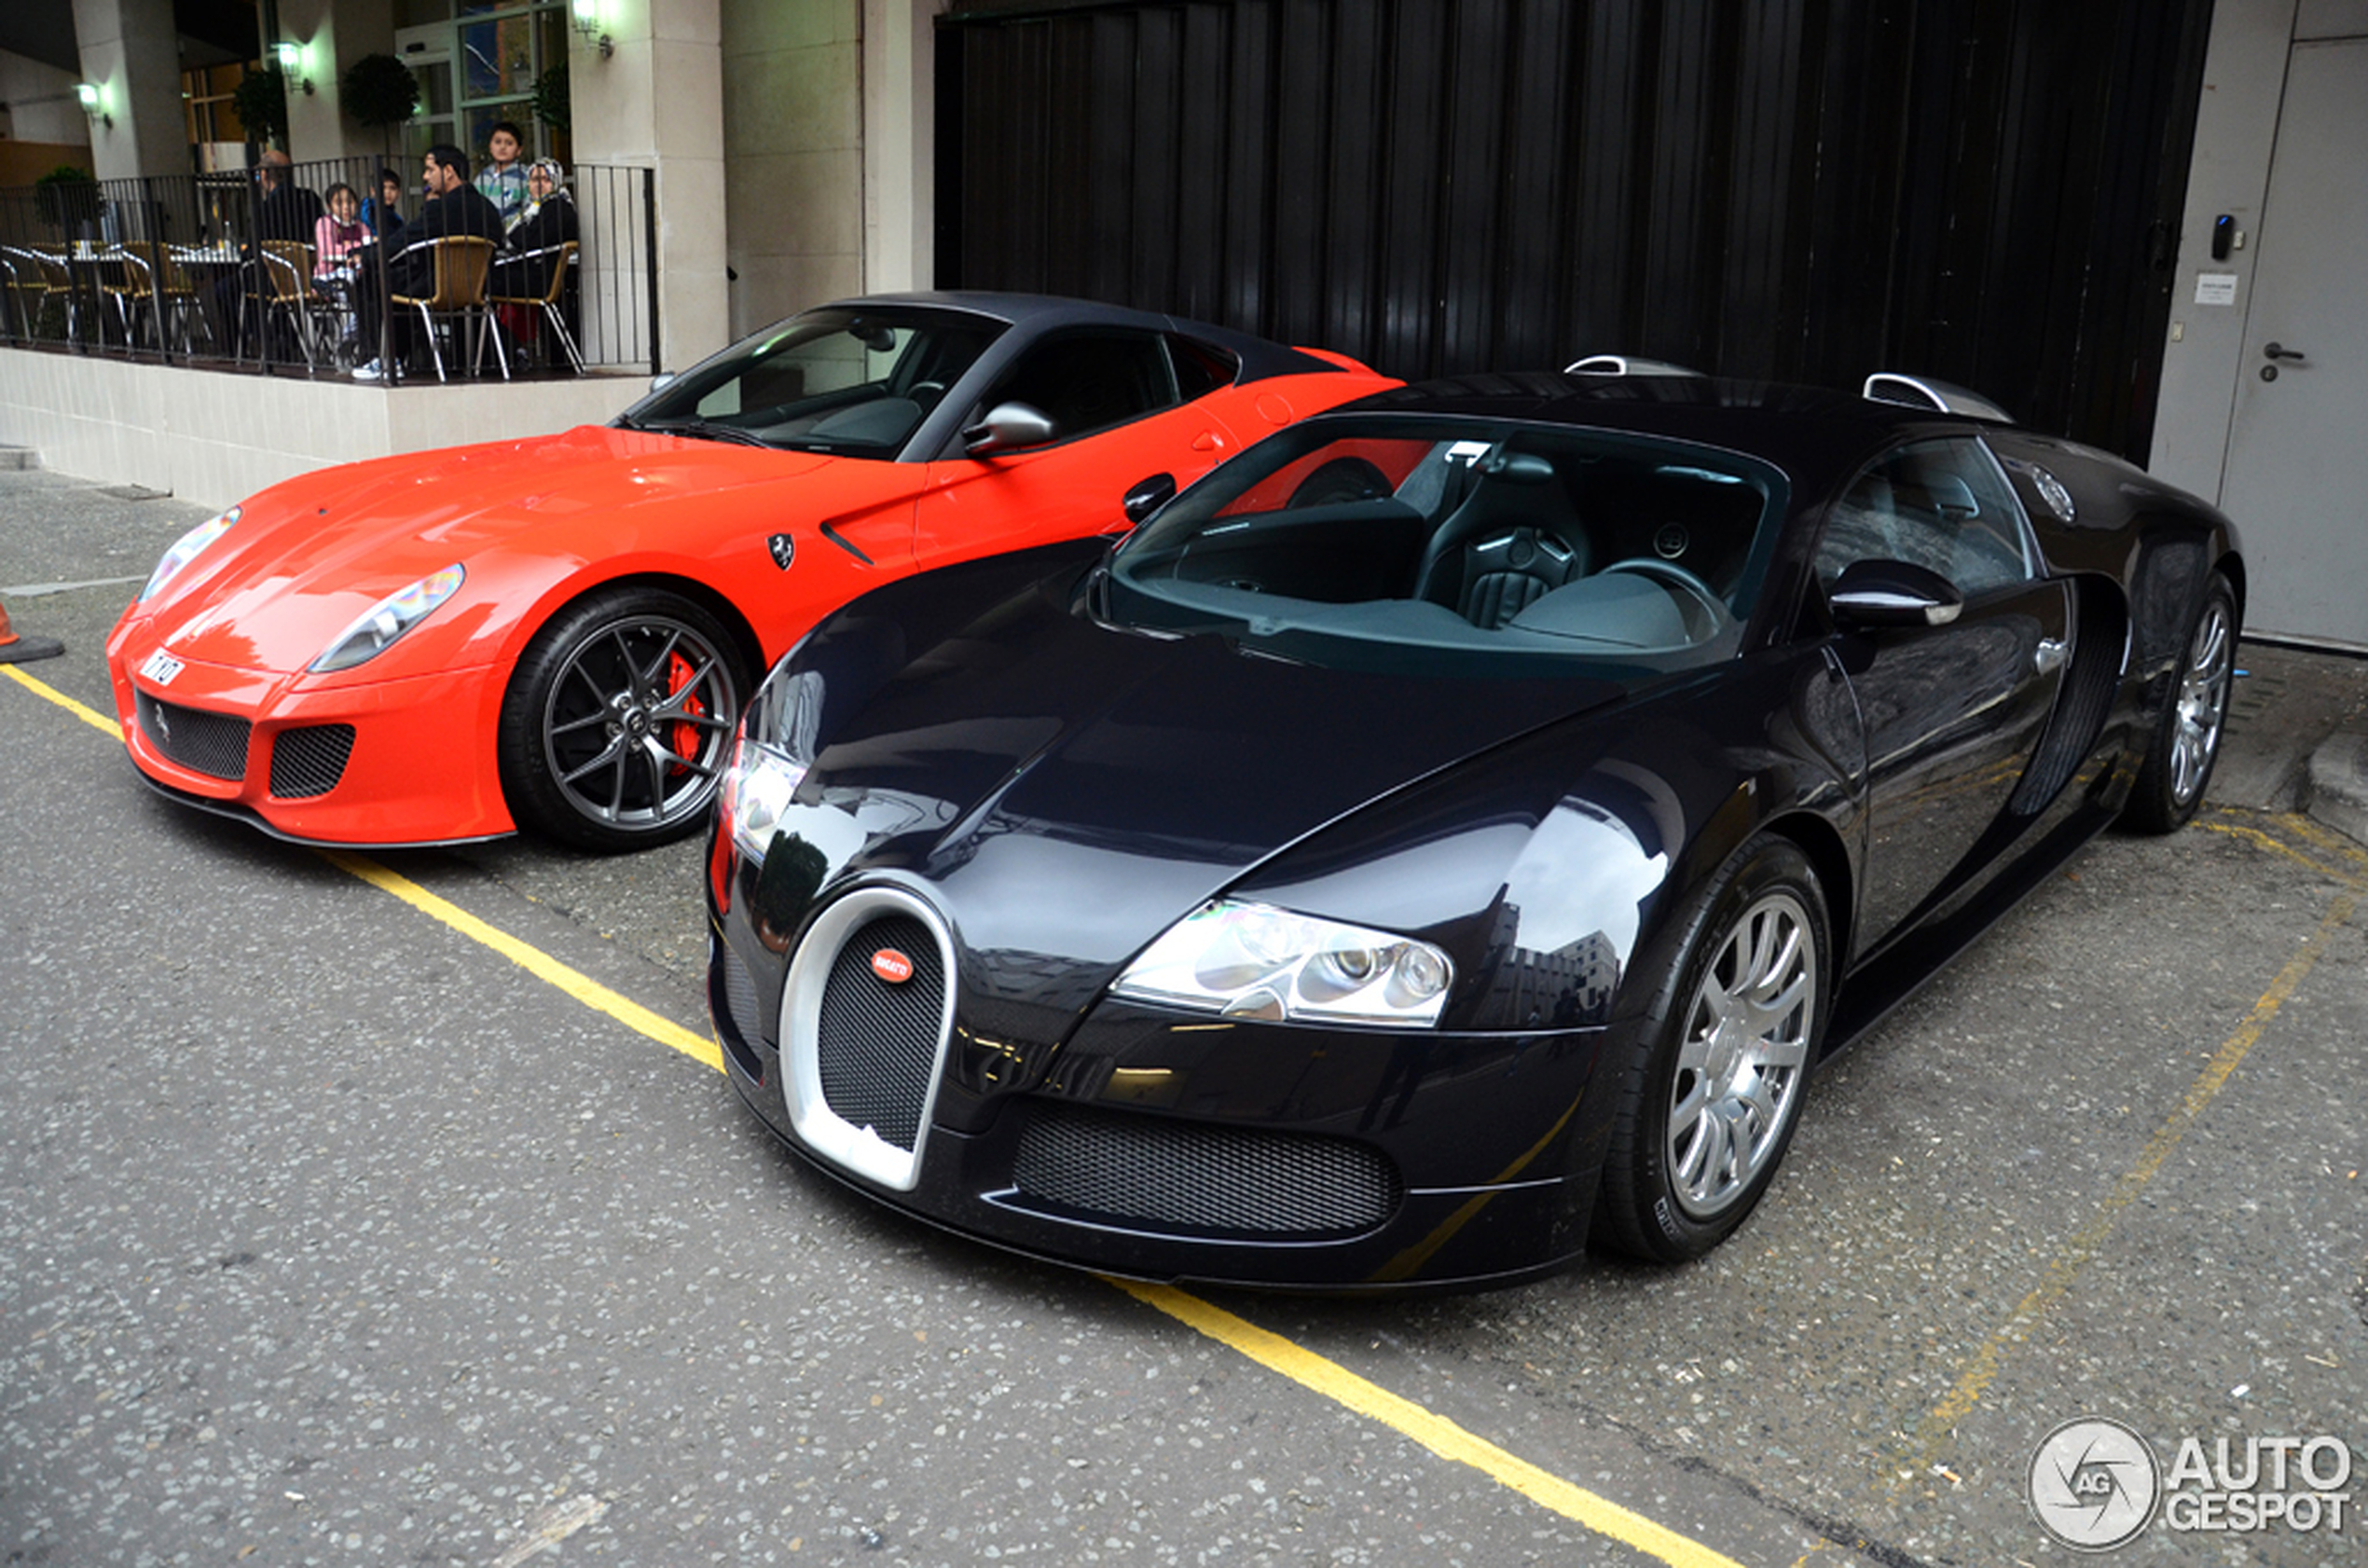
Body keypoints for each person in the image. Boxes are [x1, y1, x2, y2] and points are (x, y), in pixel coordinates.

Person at [353, 144, 507, 381]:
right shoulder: (488, 209)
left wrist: (362, 254)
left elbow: (403, 241)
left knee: (372, 280)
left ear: (448, 171)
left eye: (429, 169)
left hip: (437, 288)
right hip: (479, 289)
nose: (425, 177)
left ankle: (383, 358)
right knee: (403, 282)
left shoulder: (440, 209)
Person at [491, 158, 582, 365]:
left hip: (541, 280)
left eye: (545, 179)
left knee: (477, 285)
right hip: (533, 274)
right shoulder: (535, 209)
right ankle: (507, 350)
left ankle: (508, 350)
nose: (538, 185)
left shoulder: (557, 208)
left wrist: (519, 235)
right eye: (533, 180)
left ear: (557, 181)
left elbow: (526, 240)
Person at [475, 121, 530, 228]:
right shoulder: (483, 176)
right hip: (483, 236)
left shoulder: (524, 176)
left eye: (509, 143)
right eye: (497, 142)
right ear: (490, 147)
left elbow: (529, 209)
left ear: (519, 150)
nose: (502, 147)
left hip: (511, 236)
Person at [358, 167, 406, 236]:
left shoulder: (397, 219)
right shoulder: (367, 210)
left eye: (392, 188)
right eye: (383, 188)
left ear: (399, 193)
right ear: (372, 191)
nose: (387, 192)